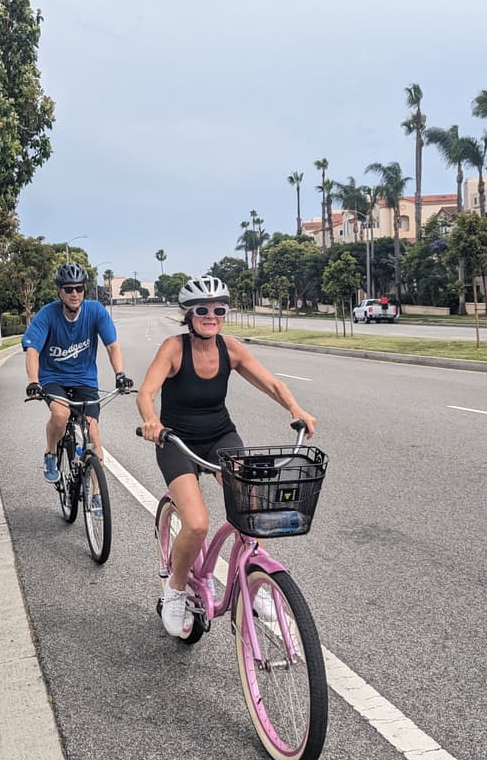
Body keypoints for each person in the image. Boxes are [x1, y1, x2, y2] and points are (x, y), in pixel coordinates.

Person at [136, 275, 316, 639]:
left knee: (250, 506)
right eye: (202, 309)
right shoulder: (174, 348)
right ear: (189, 314)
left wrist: (296, 408)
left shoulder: (230, 349)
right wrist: (152, 422)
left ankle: (256, 585)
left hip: (219, 435)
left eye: (219, 309)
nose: (211, 315)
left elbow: (272, 384)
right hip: (176, 441)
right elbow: (146, 392)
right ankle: (174, 590)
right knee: (198, 523)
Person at [23, 263, 133, 488]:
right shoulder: (47, 314)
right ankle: (51, 453)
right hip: (53, 378)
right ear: (59, 292)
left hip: (85, 379)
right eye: (68, 289)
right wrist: (33, 381)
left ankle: (96, 497)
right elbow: (33, 350)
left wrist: (120, 374)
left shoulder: (95, 311)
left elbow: (112, 346)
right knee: (61, 414)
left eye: (79, 289)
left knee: (93, 432)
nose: (74, 294)